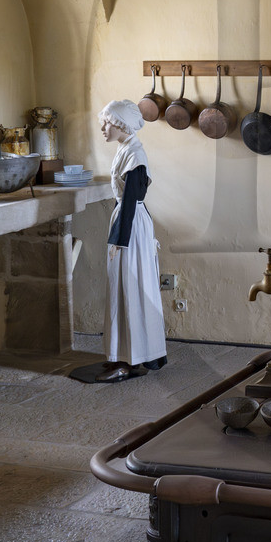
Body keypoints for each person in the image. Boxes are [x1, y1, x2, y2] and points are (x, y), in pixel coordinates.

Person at [94, 99, 167, 383]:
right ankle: (125, 354)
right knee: (125, 287)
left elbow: (132, 200)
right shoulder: (126, 149)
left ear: (122, 125)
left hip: (131, 226)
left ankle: (131, 358)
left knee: (131, 286)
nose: (103, 127)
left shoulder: (135, 155)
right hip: (128, 220)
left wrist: (118, 241)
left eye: (108, 122)